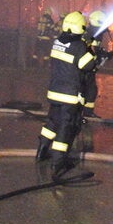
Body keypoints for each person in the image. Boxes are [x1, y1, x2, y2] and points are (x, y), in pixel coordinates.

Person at [36, 10, 97, 177]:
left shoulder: (57, 41)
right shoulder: (78, 46)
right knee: (65, 126)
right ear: (80, 27)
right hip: (69, 95)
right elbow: (88, 66)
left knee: (52, 122)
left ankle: (41, 151)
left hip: (54, 92)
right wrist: (91, 50)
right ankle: (58, 162)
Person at [81, 9, 113, 118]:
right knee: (90, 89)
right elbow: (93, 51)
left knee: (85, 89)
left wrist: (105, 54)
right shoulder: (94, 34)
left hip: (83, 66)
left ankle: (82, 112)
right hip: (86, 68)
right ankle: (87, 113)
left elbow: (95, 50)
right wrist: (103, 56)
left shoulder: (89, 31)